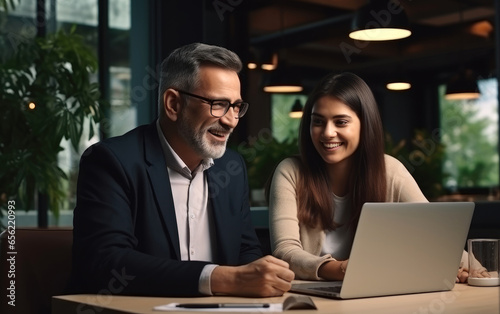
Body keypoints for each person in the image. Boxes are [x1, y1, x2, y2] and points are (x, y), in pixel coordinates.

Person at [68, 42, 294, 297]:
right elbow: (106, 263)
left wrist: (264, 274)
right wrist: (219, 278)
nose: (231, 120)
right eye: (218, 104)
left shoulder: (231, 167)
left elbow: (245, 251)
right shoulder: (111, 161)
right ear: (173, 104)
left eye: (236, 106)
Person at [267, 72, 469, 283]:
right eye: (318, 122)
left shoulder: (389, 170)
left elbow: (437, 235)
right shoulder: (290, 171)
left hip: (376, 295)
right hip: (314, 297)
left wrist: (472, 267)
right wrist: (341, 269)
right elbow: (285, 251)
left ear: (365, 124)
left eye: (341, 122)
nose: (327, 133)